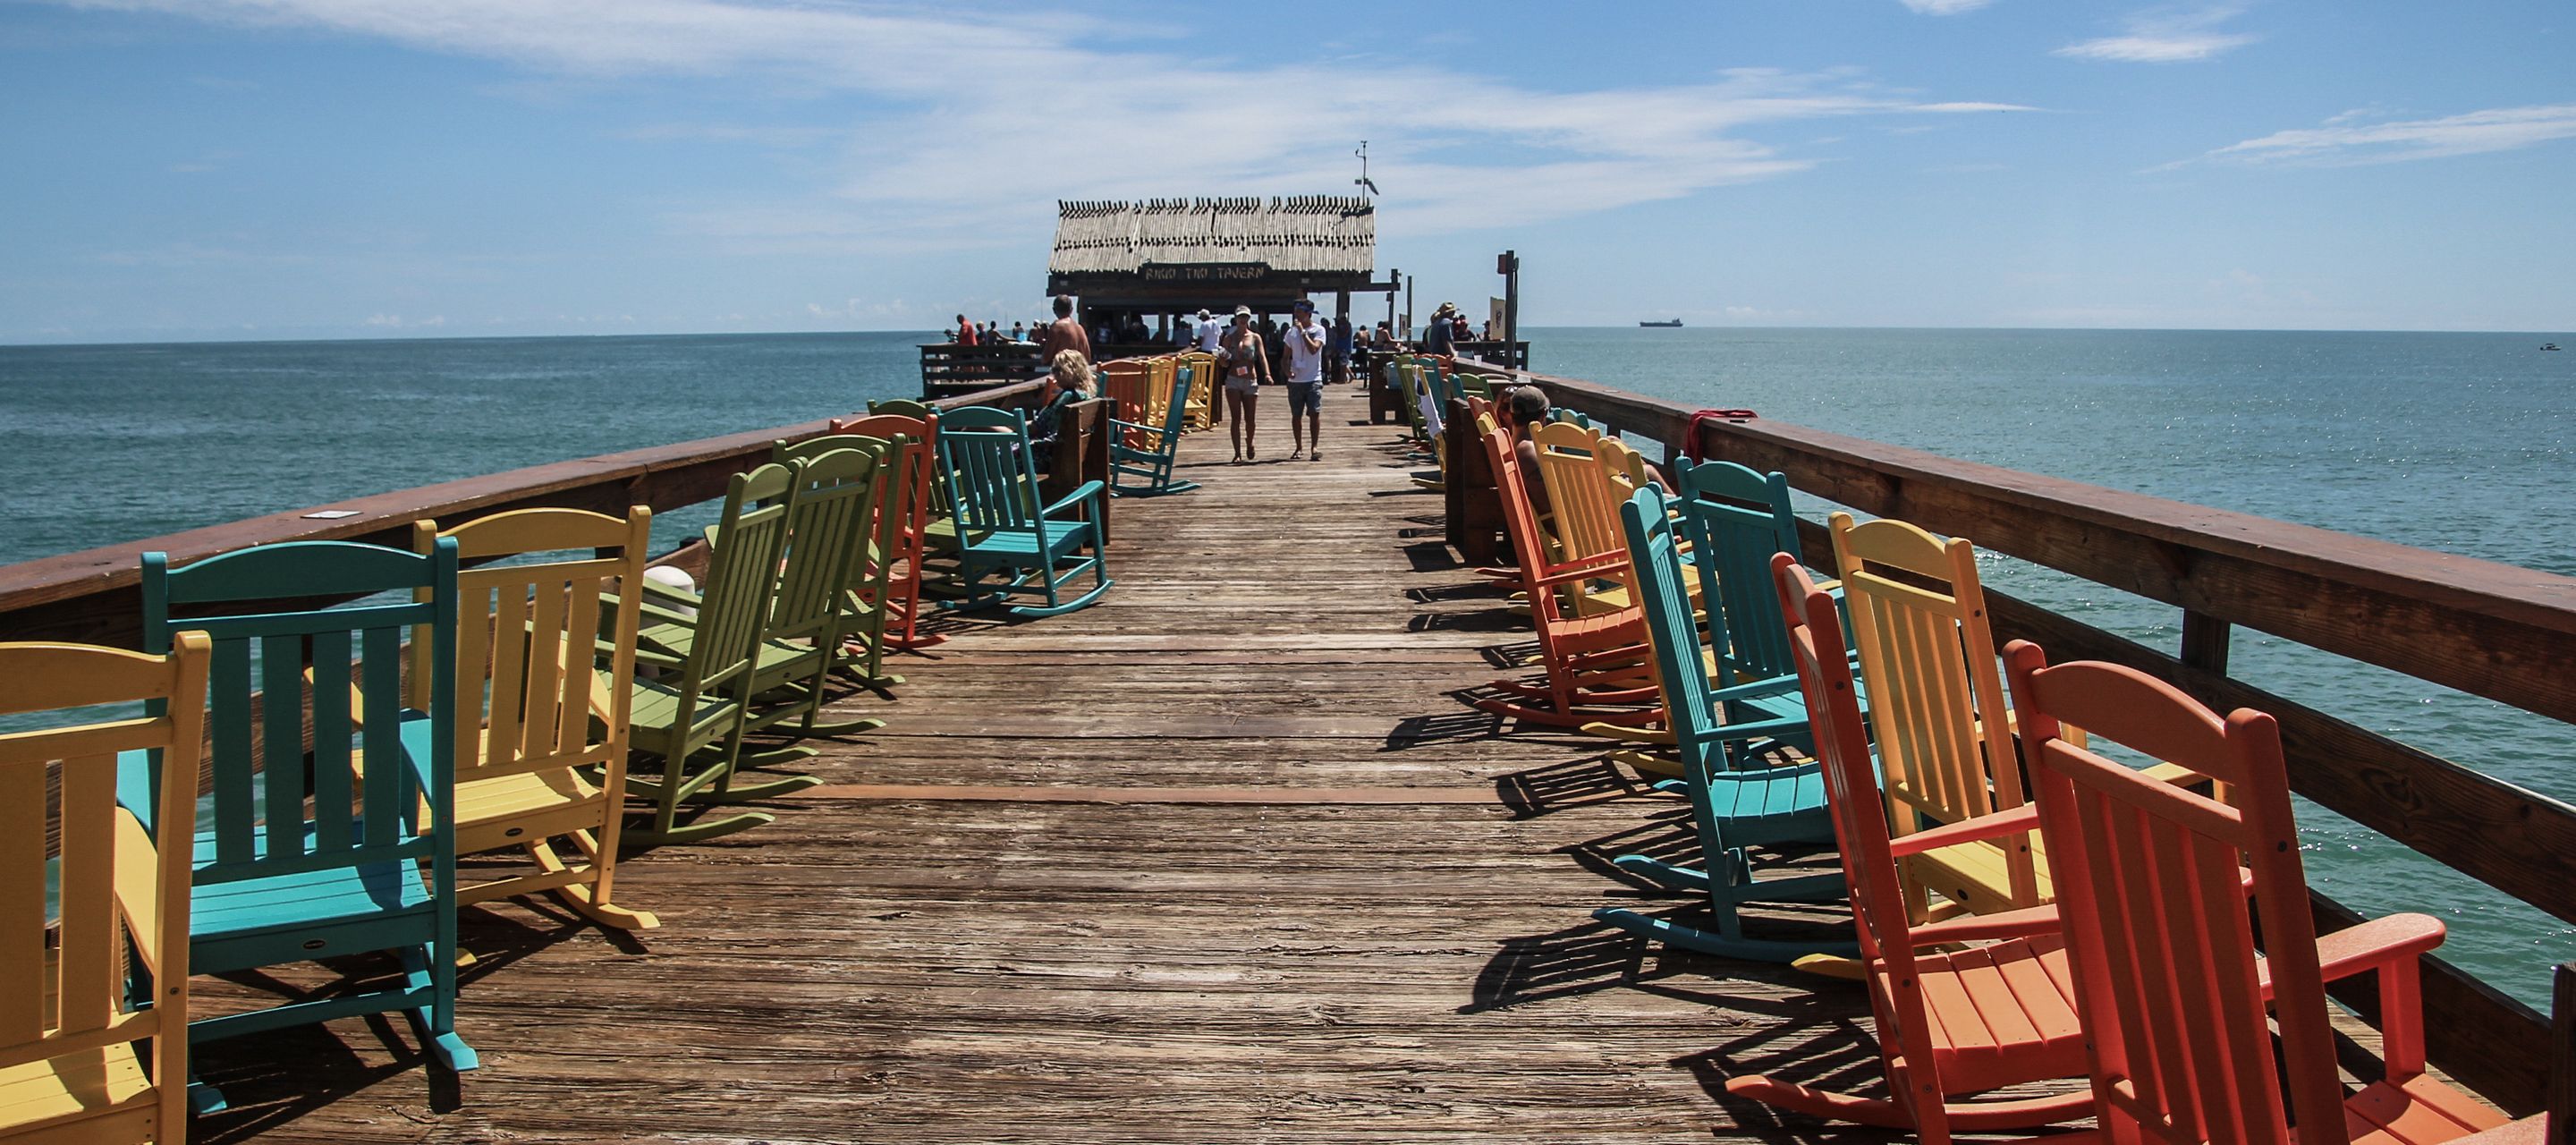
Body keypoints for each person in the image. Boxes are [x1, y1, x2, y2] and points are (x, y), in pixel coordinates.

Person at [1218, 306, 1268, 463]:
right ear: (1236, 318)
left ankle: (1250, 442)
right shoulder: (1229, 338)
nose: (1243, 319)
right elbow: (1224, 362)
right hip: (1233, 379)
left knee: (1250, 419)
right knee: (1235, 418)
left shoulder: (1255, 337)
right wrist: (1221, 360)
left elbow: (1262, 357)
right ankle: (1237, 452)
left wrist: (1267, 373)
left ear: (1249, 319)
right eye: (1240, 317)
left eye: (1246, 317)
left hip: (1250, 379)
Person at [1030, 350, 1093, 472]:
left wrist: (1012, 426)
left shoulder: (1068, 396)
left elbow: (1037, 427)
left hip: (1043, 457)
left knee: (989, 442)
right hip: (1061, 453)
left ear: (1068, 371)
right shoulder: (1082, 395)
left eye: (1057, 370)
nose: (1054, 375)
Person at [1281, 298, 1328, 462]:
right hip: (1295, 381)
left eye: (1300, 312)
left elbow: (1314, 349)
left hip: (1313, 378)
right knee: (1296, 415)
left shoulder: (1319, 330)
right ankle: (1298, 447)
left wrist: (1303, 332)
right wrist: (1287, 371)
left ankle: (1314, 446)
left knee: (1314, 413)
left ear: (1308, 314)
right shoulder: (1290, 332)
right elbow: (1285, 356)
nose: (1297, 316)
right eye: (1295, 312)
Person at [1040, 294, 1090, 367]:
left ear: (1054, 310)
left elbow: (1045, 358)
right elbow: (1088, 358)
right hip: (1080, 374)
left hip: (1064, 374)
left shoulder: (1057, 327)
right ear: (1071, 310)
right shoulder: (1080, 328)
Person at [1329, 314, 1353, 386]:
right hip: (1340, 347)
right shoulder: (1341, 326)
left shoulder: (1347, 325)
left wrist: (1337, 330)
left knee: (1343, 364)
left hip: (1345, 347)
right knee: (1343, 363)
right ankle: (1351, 375)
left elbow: (1343, 335)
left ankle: (1342, 379)